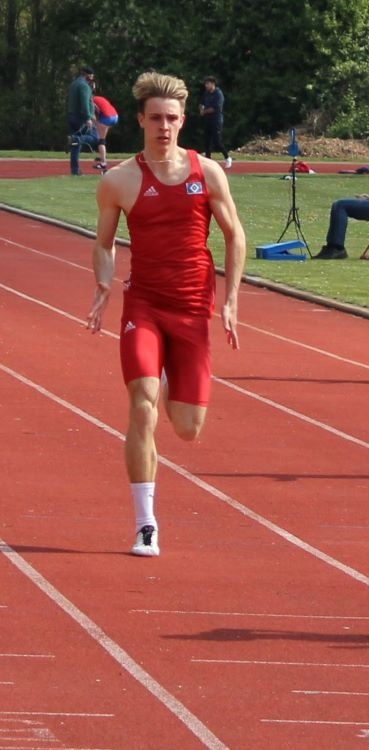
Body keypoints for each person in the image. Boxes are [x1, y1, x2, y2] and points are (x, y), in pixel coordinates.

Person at [85, 71, 247, 557]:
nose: (164, 126)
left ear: (182, 121)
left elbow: (235, 235)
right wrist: (103, 283)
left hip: (193, 308)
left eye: (171, 118)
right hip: (145, 305)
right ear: (140, 120)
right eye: (155, 118)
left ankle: (173, 374)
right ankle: (145, 524)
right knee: (142, 405)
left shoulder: (207, 172)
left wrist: (231, 299)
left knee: (188, 428)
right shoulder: (120, 180)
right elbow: (104, 244)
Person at [66, 65, 99, 176]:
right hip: (81, 118)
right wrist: (88, 118)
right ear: (88, 75)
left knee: (75, 144)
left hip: (71, 115)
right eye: (91, 75)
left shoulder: (74, 83)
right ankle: (75, 138)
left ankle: (75, 170)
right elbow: (84, 103)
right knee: (95, 137)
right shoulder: (84, 86)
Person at [198, 76, 232, 168]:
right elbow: (201, 103)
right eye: (205, 84)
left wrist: (204, 112)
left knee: (217, 142)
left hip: (216, 120)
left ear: (213, 84)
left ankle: (227, 157)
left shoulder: (218, 94)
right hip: (207, 120)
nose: (206, 85)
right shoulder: (206, 93)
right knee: (207, 141)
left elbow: (216, 108)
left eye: (208, 83)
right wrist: (201, 108)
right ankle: (208, 160)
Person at [90, 81, 119, 172]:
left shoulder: (91, 101)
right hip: (115, 116)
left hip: (107, 118)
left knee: (101, 140)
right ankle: (103, 156)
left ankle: (103, 163)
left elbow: (94, 114)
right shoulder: (100, 98)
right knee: (102, 138)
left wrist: (93, 122)